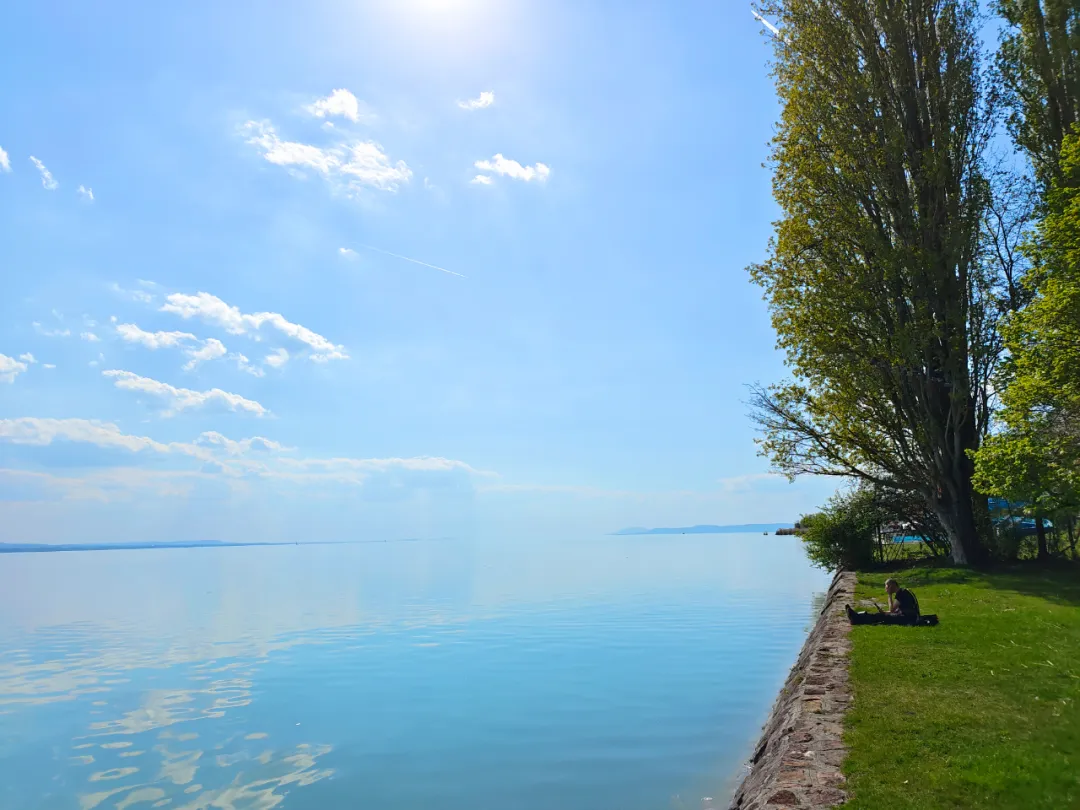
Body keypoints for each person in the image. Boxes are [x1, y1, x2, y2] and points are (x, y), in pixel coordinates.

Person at [846, 578, 920, 625]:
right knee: (881, 614)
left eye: (886, 586)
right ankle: (857, 617)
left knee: (881, 616)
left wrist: (889, 595)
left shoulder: (901, 593)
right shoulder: (903, 591)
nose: (886, 589)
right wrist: (885, 612)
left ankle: (856, 619)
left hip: (908, 618)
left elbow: (892, 610)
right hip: (909, 616)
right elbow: (894, 611)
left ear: (892, 586)